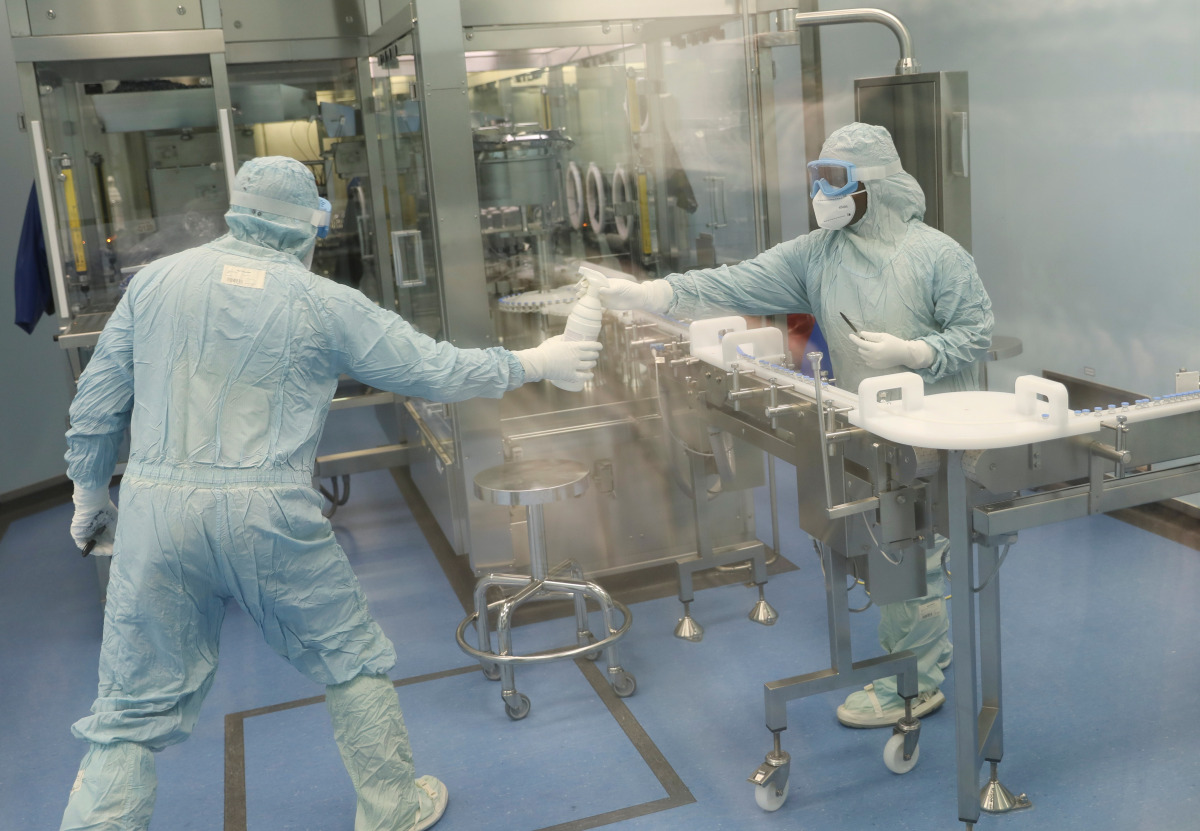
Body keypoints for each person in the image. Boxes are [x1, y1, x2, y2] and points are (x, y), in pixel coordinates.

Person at [61, 156, 601, 830]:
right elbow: (431, 369)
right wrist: (537, 361)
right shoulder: (321, 301)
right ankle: (392, 805)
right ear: (308, 223)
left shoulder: (156, 283)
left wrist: (89, 495)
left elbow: (96, 404)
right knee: (351, 658)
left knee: (127, 709)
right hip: (269, 515)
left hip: (155, 514)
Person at [594, 122, 993, 728]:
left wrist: (914, 355)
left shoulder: (937, 254)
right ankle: (911, 657)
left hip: (931, 431)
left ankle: (916, 682)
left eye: (835, 179)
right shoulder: (818, 255)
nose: (822, 194)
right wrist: (653, 294)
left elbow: (975, 334)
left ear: (874, 184)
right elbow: (734, 281)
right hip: (864, 426)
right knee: (889, 549)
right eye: (816, 177)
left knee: (915, 552)